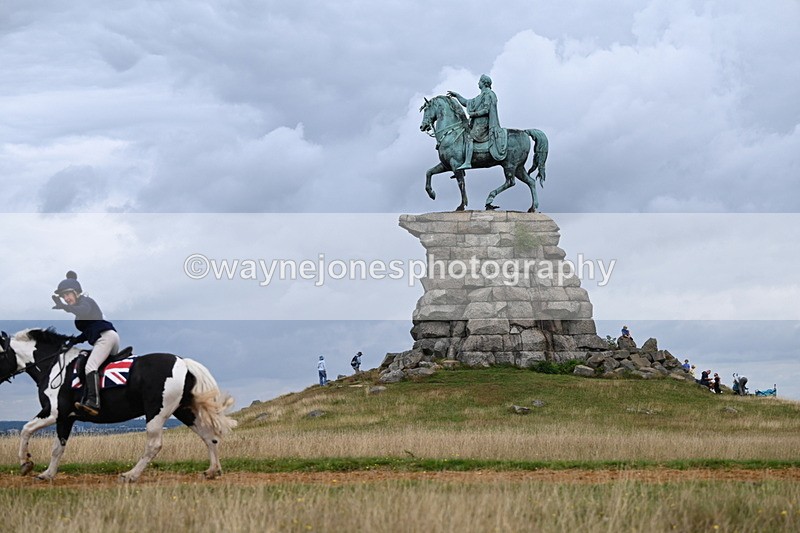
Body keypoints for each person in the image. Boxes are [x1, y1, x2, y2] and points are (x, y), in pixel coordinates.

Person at [50, 271, 119, 416]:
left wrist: (65, 307)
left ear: (76, 292)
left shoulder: (86, 301)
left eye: (67, 294)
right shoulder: (81, 307)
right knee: (95, 365)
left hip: (105, 338)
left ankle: (93, 402)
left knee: (90, 367)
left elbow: (83, 310)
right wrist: (74, 340)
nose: (66, 298)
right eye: (63, 296)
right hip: (107, 337)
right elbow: (88, 331)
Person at [447, 74, 507, 170]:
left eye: (479, 81)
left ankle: (467, 162)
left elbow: (486, 110)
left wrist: (474, 114)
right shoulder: (480, 96)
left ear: (484, 83)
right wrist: (457, 96)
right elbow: (466, 102)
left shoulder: (488, 94)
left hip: (484, 124)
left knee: (469, 137)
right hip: (477, 123)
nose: (478, 83)